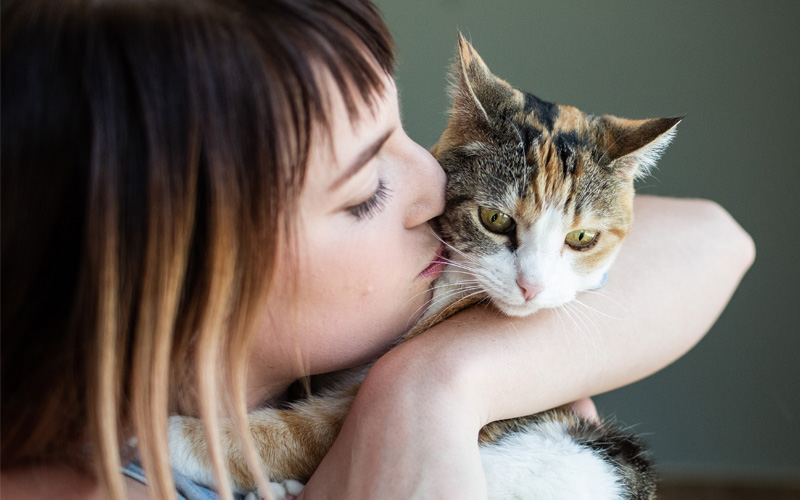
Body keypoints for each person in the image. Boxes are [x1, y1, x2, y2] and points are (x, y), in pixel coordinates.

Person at [0, 0, 755, 499]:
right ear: (178, 271)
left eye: (404, 134)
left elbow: (713, 239)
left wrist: (431, 387)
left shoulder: (402, 321)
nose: (433, 182)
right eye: (364, 191)